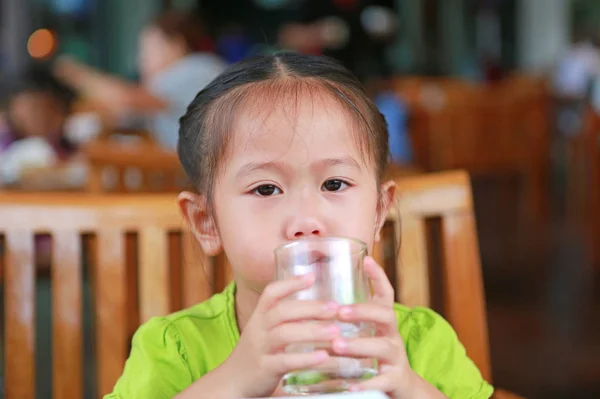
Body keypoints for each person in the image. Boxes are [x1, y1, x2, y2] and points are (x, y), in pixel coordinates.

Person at [105, 53, 493, 399]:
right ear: (207, 222)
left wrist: (408, 386)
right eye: (266, 188)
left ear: (378, 211)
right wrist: (232, 382)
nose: (306, 222)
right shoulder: (176, 349)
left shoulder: (418, 342)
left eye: (334, 184)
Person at [54, 10, 227, 149]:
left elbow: (127, 99)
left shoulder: (193, 68)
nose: (141, 60)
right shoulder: (199, 69)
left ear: (176, 45)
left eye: (147, 49)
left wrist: (76, 74)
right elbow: (125, 113)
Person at [0, 65, 76, 185]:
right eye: (32, 108)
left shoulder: (71, 146)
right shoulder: (5, 146)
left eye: (46, 109)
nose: (39, 116)